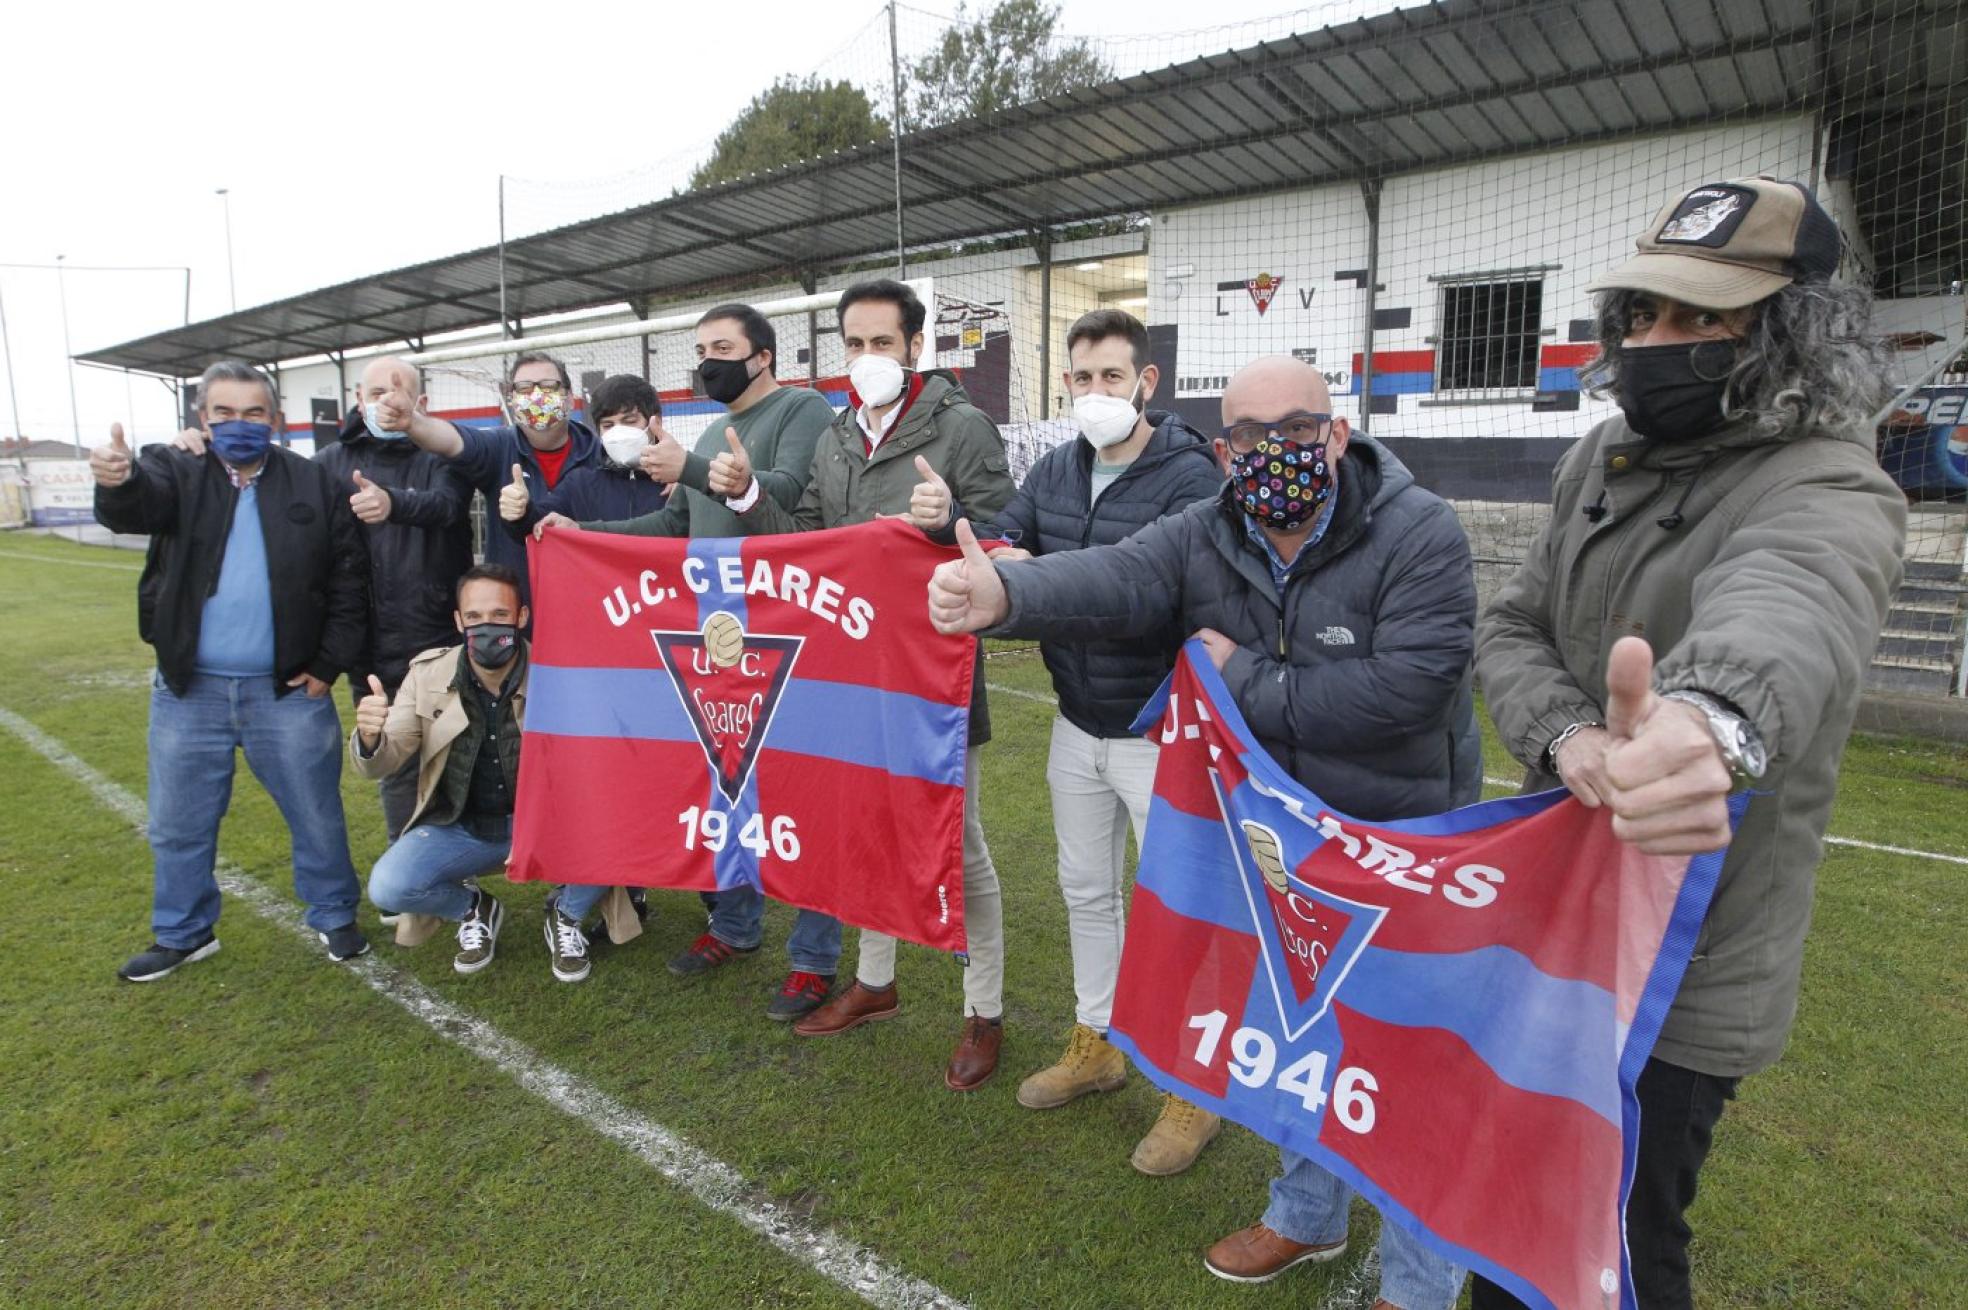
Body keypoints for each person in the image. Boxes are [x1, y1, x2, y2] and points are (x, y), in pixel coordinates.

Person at [927, 355, 1481, 1307]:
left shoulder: (1418, 529)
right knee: (1302, 1043)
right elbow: (1118, 576)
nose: (1278, 452)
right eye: (1253, 436)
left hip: (1401, 845)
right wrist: (1009, 599)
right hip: (1279, 842)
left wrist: (1243, 682)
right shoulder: (1210, 528)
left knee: (1410, 1071)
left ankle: (1420, 1283)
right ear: (1226, 452)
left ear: (1338, 434)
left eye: (1298, 429)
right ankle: (1306, 1217)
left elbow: (1413, 688)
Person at [1471, 176, 1906, 1310]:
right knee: (1509, 1205)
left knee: (1620, 1235)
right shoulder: (1599, 457)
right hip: (1552, 919)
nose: (1661, 343)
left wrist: (1708, 722)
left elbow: (1793, 598)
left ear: (1791, 330)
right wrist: (1568, 732)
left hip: (1686, 967)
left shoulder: (1830, 482)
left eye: (1705, 319)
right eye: (1650, 314)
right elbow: (1512, 625)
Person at [953, 309, 1224, 1173]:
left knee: (1182, 910)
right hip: (1077, 718)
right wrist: (956, 529)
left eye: (1112, 377)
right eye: (1081, 378)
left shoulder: (1190, 477)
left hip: (1158, 731)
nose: (1095, 393)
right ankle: (1098, 1044)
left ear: (1147, 382)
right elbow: (1010, 539)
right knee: (1085, 892)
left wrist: (1034, 581)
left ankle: (1193, 1088)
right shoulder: (1059, 466)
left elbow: (1150, 592)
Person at [730, 278, 1015, 1091]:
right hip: (849, 676)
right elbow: (809, 544)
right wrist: (751, 497)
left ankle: (983, 1011)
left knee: (960, 846)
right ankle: (876, 983)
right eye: (852, 343)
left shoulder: (960, 426)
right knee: (859, 823)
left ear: (915, 349)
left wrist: (950, 511)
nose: (866, 358)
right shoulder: (836, 432)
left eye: (881, 343)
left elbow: (1009, 533)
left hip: (934, 675)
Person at [532, 304, 836, 1018]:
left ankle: (814, 960)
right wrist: (586, 533)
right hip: (713, 647)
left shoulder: (804, 409)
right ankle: (734, 926)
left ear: (763, 355)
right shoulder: (706, 430)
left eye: (722, 347)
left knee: (801, 801)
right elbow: (674, 524)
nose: (707, 360)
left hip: (783, 641)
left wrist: (694, 466)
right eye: (700, 349)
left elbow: (790, 498)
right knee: (724, 794)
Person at [91, 360, 372, 981]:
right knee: (178, 823)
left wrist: (328, 664)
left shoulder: (313, 482)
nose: (238, 424)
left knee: (316, 814)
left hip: (289, 691)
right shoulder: (178, 470)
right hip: (189, 691)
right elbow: (133, 505)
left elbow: (349, 578)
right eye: (224, 413)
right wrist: (116, 479)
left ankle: (333, 914)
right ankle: (184, 933)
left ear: (273, 418)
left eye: (252, 413)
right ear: (202, 419)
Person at [180, 355, 474, 841]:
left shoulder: (444, 456)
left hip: (440, 642)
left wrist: (392, 503)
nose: (387, 401)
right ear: (358, 401)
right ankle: (408, 882)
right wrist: (189, 446)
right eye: (376, 392)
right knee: (395, 763)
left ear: (421, 402)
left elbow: (446, 506)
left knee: (454, 760)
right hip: (370, 651)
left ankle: (451, 871)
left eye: (398, 392)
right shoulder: (327, 465)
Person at [351, 564, 641, 981]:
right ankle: (474, 909)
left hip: (548, 827)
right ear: (458, 621)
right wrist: (368, 737)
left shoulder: (560, 672)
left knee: (623, 827)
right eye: (474, 618)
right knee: (389, 886)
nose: (487, 627)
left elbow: (610, 758)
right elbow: (385, 759)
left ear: (522, 617)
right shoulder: (427, 673)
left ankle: (567, 914)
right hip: (461, 826)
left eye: (499, 617)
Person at [389, 351, 601, 601]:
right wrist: (412, 422)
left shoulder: (598, 454)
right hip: (514, 611)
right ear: (512, 400)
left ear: (567, 398)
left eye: (547, 386)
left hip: (588, 602)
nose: (536, 396)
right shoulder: (498, 448)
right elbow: (451, 440)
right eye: (524, 388)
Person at [498, 373, 671, 538]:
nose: (618, 431)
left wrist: (685, 479)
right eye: (608, 425)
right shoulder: (580, 484)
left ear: (656, 422)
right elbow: (539, 524)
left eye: (630, 421)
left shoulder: (679, 482)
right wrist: (520, 512)